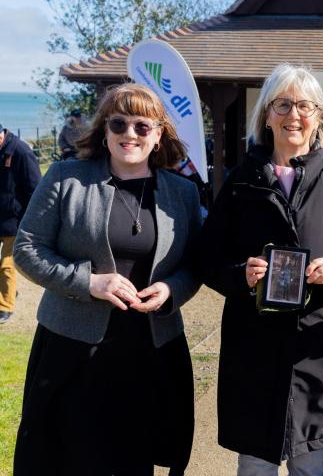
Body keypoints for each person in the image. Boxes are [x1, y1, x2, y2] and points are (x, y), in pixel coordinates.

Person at [198, 63, 323, 476]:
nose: (293, 115)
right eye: (282, 104)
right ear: (266, 115)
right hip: (255, 352)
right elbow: (207, 258)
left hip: (317, 353)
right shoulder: (242, 181)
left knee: (311, 465)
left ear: (319, 117)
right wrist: (240, 275)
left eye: (304, 106)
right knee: (255, 465)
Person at [13, 83, 202, 475]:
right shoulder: (66, 177)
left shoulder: (182, 193)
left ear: (158, 135)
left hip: (149, 351)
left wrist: (171, 289)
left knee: (133, 458)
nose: (129, 134)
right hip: (72, 348)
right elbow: (27, 249)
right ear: (104, 130)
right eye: (119, 124)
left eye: (141, 126)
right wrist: (88, 282)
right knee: (70, 458)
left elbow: (196, 264)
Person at [0, 123, 41, 324]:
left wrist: (29, 221)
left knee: (7, 265)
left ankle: (5, 306)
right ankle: (8, 292)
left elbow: (35, 189)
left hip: (15, 221)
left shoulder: (22, 152)